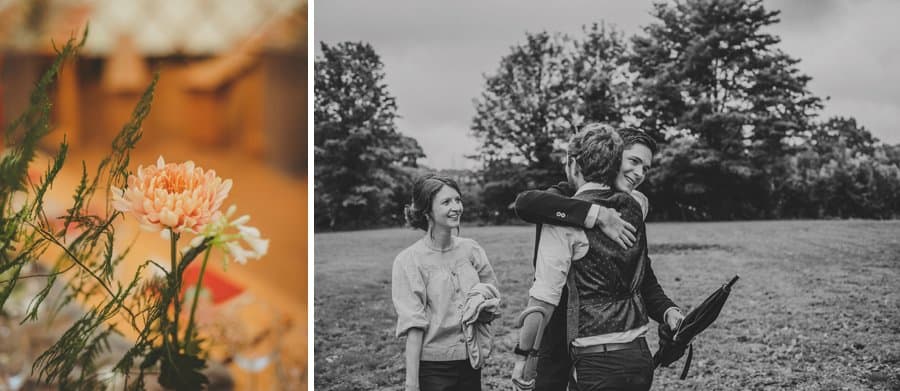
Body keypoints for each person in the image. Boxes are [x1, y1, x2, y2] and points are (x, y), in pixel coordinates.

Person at [511, 124, 683, 391]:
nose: (638, 174)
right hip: (558, 338)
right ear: (613, 158)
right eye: (634, 161)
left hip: (599, 349)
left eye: (645, 168)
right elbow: (525, 203)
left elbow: (643, 278)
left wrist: (668, 311)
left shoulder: (634, 206)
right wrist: (597, 215)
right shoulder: (560, 199)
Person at [392, 174, 500, 391]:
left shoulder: (472, 250)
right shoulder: (408, 260)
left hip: (470, 361)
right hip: (433, 369)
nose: (456, 207)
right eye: (446, 202)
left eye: (458, 200)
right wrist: (411, 385)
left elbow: (493, 295)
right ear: (426, 210)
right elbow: (414, 326)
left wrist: (483, 304)